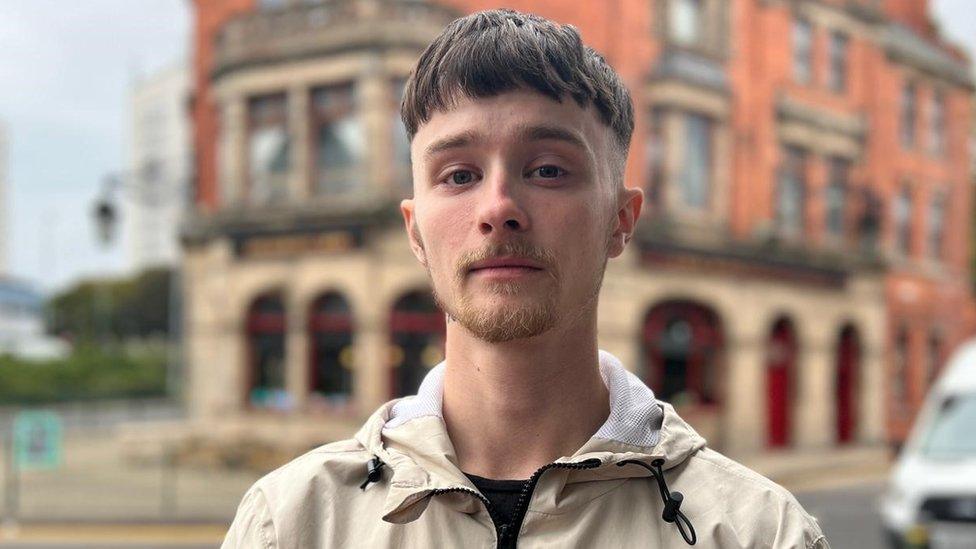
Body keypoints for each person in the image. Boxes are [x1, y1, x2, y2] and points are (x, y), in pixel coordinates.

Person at [223, 9, 829, 548]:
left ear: (621, 220)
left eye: (546, 169)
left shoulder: (759, 531)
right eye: (458, 175)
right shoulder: (292, 522)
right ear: (415, 232)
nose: (498, 206)